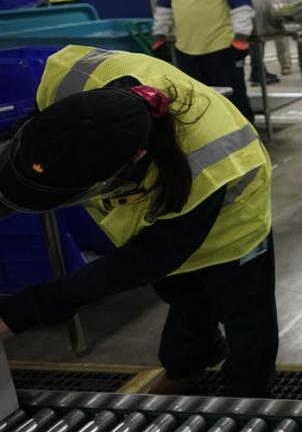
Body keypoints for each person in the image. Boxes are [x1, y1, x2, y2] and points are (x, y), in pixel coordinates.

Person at [0, 46, 277, 397]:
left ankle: (249, 396)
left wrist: (25, 310)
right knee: (183, 296)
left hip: (233, 225)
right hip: (158, 222)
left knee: (246, 317)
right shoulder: (67, 77)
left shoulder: (202, 164)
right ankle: (189, 365)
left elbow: (146, 259)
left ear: (131, 164)